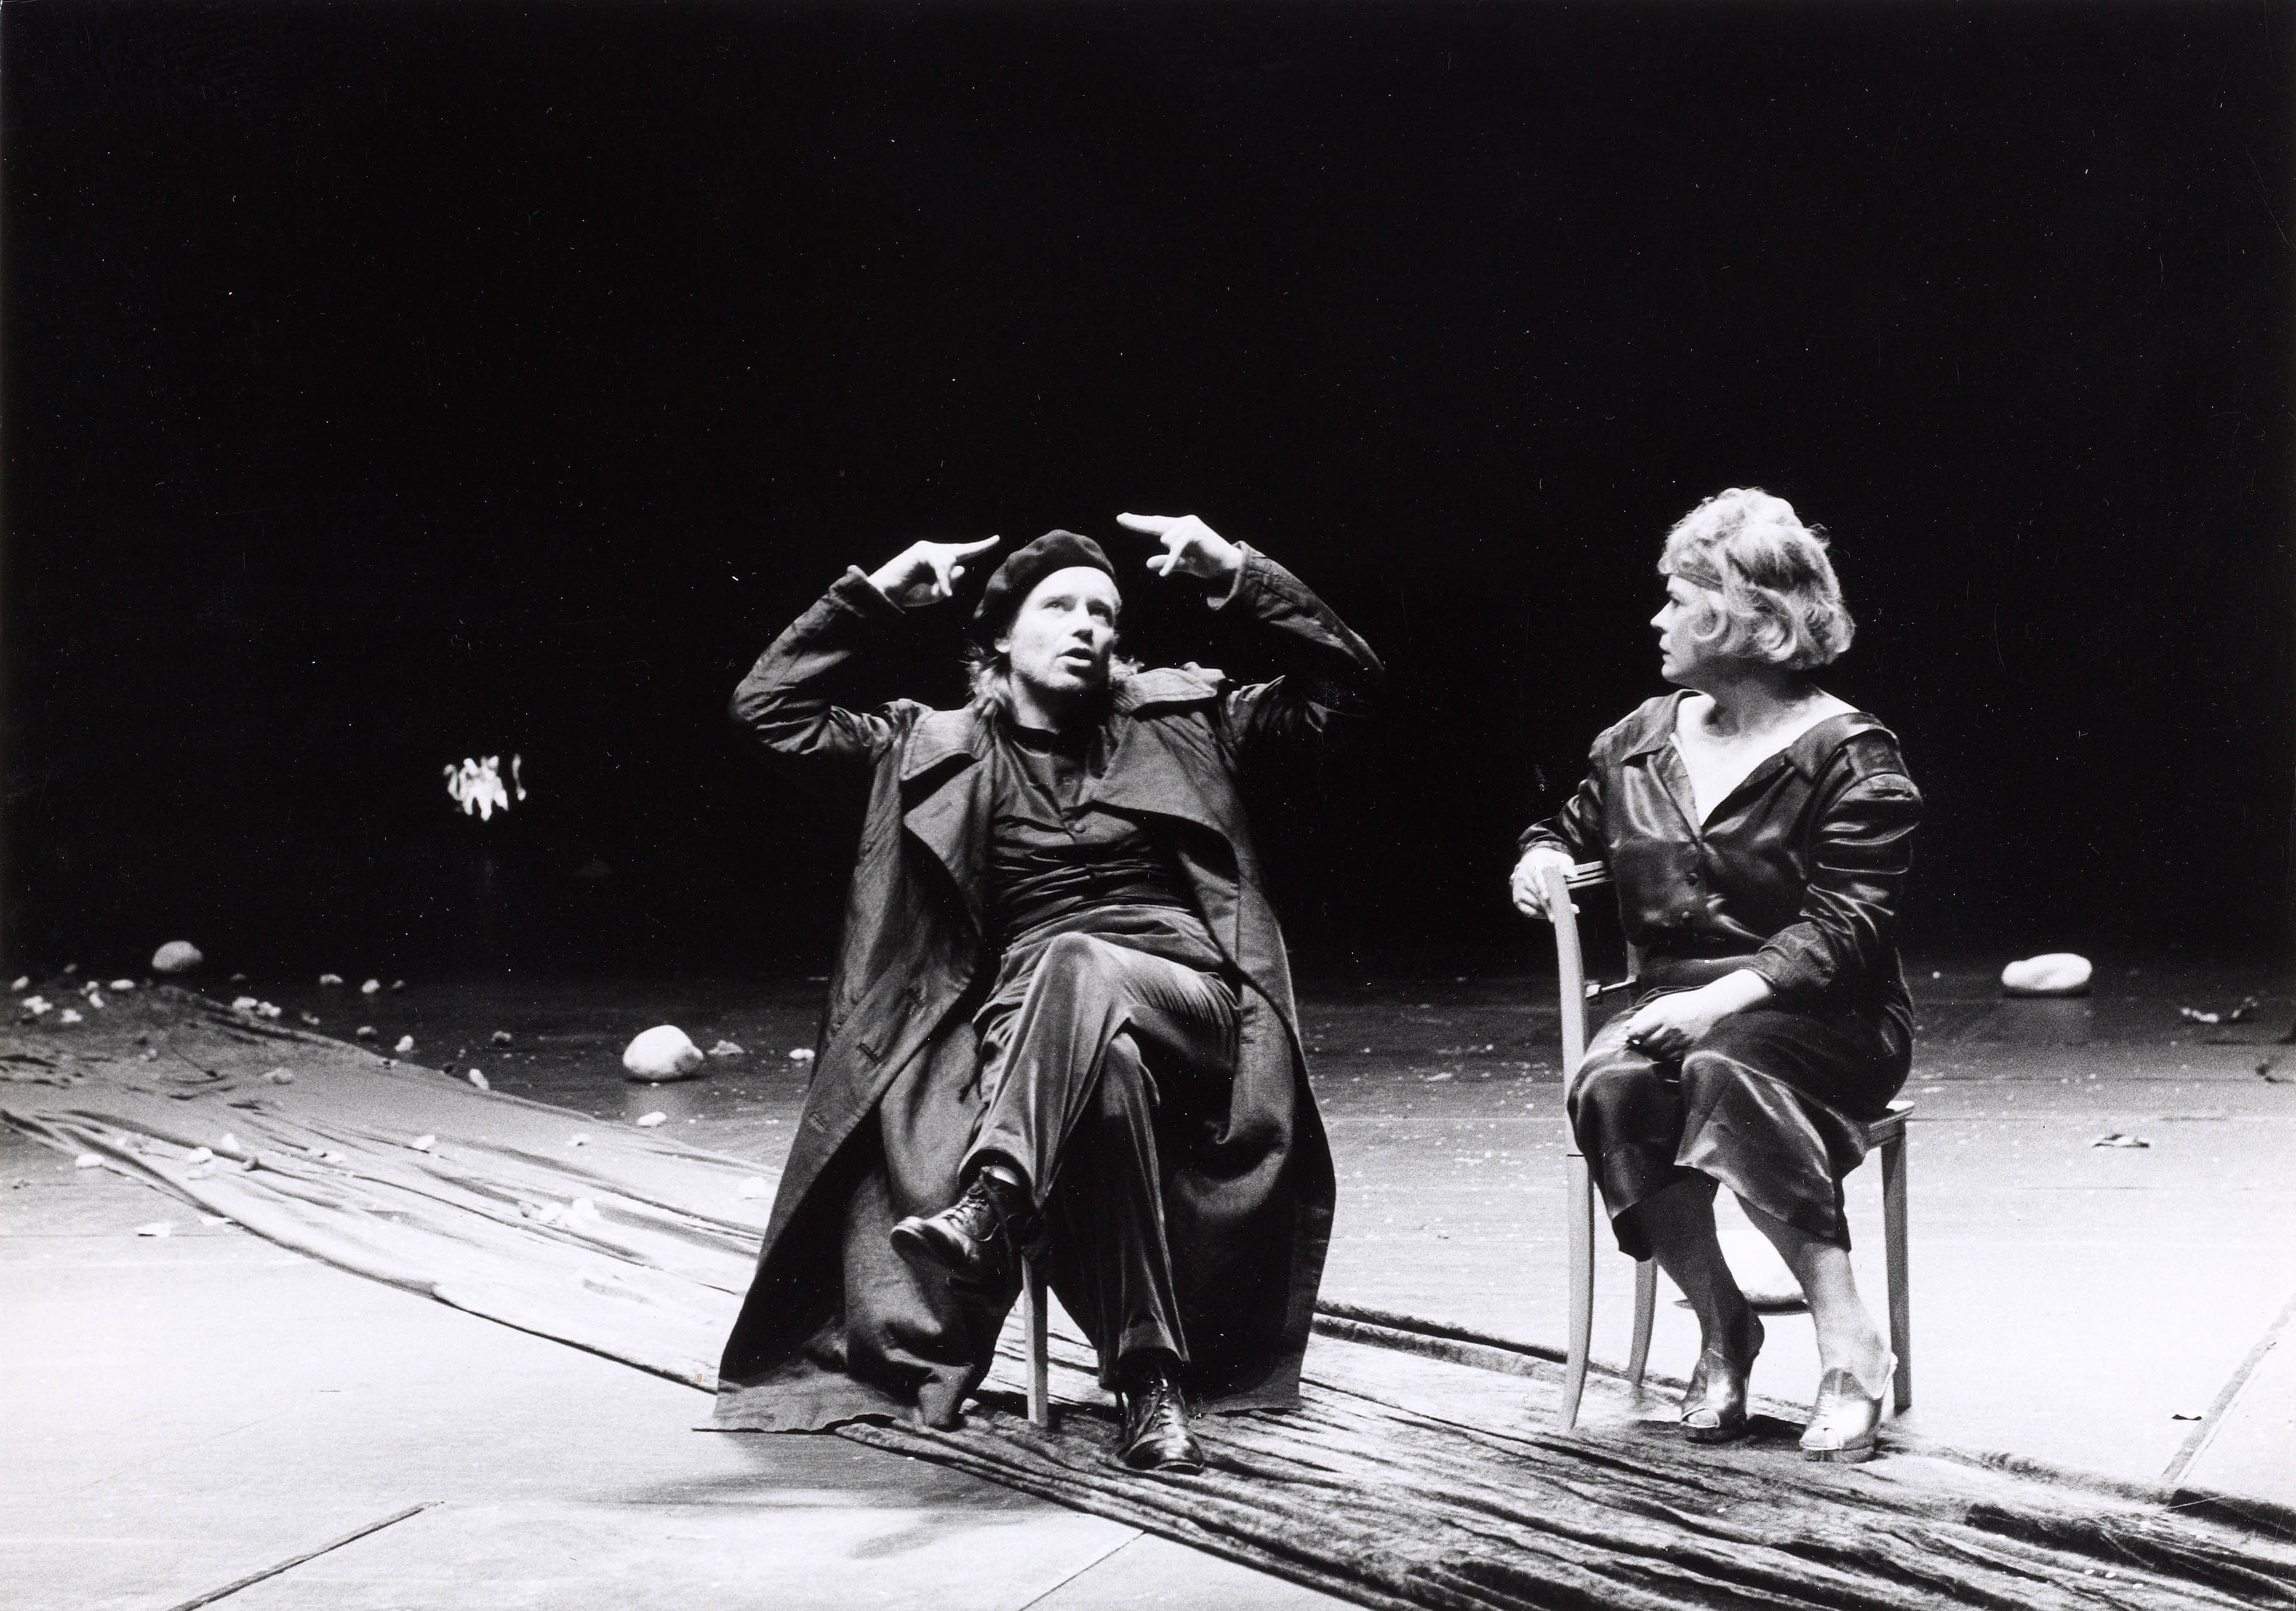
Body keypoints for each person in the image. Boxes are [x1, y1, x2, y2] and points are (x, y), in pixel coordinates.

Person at [714, 514, 1380, 1473]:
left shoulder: (1184, 719)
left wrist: (1239, 573)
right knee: (1106, 1072)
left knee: (1079, 960)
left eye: (1103, 612)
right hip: (1032, 1039)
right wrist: (874, 595)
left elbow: (1348, 691)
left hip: (1190, 1007)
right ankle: (1151, 1383)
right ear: (999, 637)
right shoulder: (927, 742)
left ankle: (993, 1205)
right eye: (1060, 606)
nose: (1087, 627)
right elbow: (766, 710)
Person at [1510, 488, 1920, 1464]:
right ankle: (1724, 1322)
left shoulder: (1851, 756)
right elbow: (1564, 828)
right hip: (1675, 1011)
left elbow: (1846, 929)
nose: (1657, 619)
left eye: (1678, 598)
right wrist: (1540, 856)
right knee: (1610, 1086)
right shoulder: (1640, 742)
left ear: (1751, 618)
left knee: (1722, 1069)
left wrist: (1716, 1004)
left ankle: (1851, 1343)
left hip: (1825, 1020)